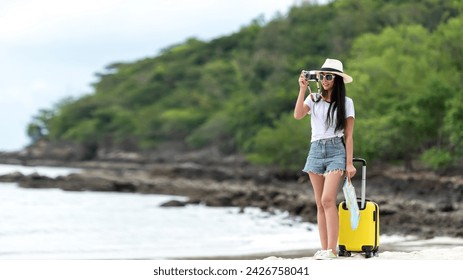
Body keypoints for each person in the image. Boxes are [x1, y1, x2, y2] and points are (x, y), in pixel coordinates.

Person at [293, 58, 356, 260]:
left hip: (336, 150)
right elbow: (297, 116)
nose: (324, 80)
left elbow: (349, 136)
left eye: (329, 76)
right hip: (315, 151)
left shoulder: (346, 103)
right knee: (319, 204)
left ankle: (332, 249)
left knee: (328, 200)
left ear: (337, 80)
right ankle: (324, 248)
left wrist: (349, 163)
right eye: (322, 76)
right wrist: (302, 89)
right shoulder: (314, 99)